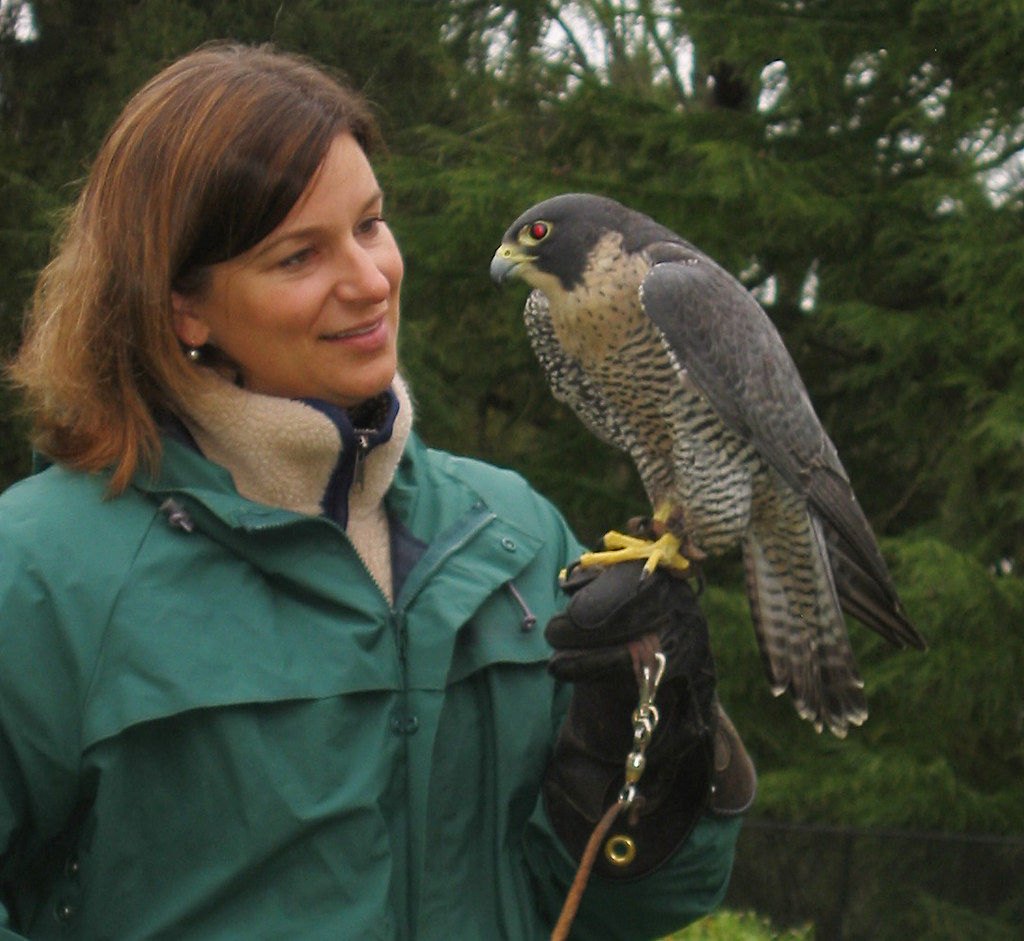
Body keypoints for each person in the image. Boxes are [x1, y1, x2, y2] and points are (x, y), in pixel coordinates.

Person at [0, 43, 755, 940]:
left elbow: (624, 903)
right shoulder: (40, 574)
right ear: (184, 307)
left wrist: (670, 769)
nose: (369, 280)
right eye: (297, 256)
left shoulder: (513, 535)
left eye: (370, 224)